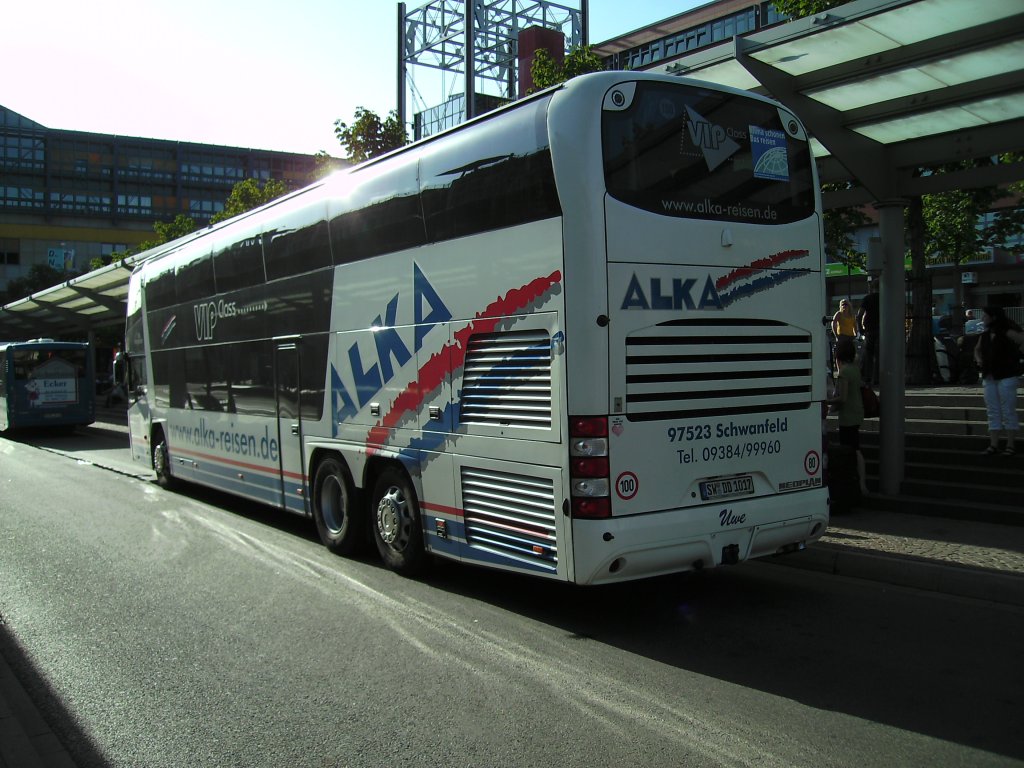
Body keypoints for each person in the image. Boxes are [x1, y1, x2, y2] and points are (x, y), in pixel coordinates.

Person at [973, 305, 1024, 456]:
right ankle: (994, 444)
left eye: (985, 316)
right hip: (989, 375)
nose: (982, 318)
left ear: (993, 317)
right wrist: (979, 360)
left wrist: (1015, 356)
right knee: (993, 410)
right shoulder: (985, 335)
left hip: (1006, 375)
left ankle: (1010, 444)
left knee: (1008, 410)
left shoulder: (1006, 332)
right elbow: (977, 349)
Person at [829, 337, 868, 496]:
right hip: (857, 411)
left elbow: (842, 397)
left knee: (853, 449)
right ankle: (860, 482)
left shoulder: (844, 372)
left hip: (848, 416)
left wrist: (827, 401)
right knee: (855, 448)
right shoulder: (855, 369)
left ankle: (860, 483)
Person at [857, 278, 880, 387]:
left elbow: (859, 315)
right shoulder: (885, 298)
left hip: (869, 330)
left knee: (868, 354)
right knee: (880, 354)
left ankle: (867, 377)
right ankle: (878, 378)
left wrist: (861, 329)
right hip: (882, 330)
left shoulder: (867, 299)